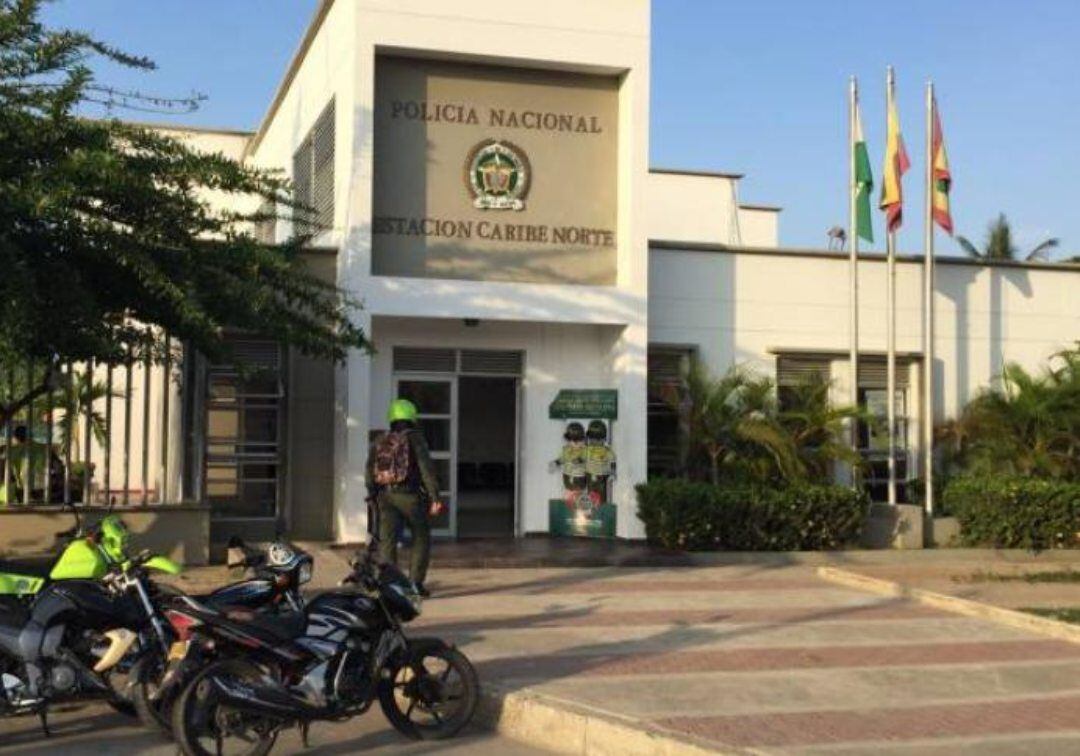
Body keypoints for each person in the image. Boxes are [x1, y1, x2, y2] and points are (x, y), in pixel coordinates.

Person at [366, 398, 444, 597]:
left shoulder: (380, 440)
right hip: (410, 496)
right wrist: (435, 496)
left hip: (385, 497)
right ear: (412, 416)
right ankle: (416, 583)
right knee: (421, 536)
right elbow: (426, 468)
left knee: (387, 541)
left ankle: (389, 585)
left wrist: (373, 493)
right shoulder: (415, 439)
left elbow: (369, 471)